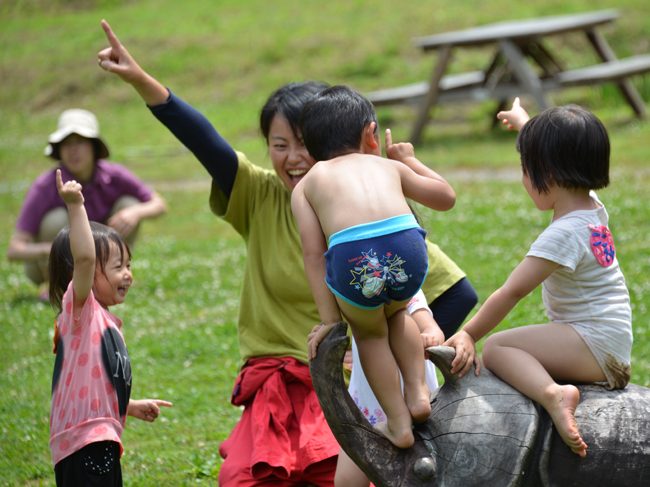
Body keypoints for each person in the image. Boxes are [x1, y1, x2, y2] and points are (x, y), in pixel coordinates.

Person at [97, 20, 476, 485]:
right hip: (277, 383)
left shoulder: (336, 205)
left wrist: (359, 339)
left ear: (320, 145)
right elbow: (204, 141)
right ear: (367, 135)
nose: (294, 158)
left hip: (338, 379)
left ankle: (401, 409)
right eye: (280, 145)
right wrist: (141, 79)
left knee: (339, 455)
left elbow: (455, 291)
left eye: (303, 144)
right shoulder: (261, 193)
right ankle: (409, 400)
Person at [445, 98, 633, 458]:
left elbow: (511, 291)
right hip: (610, 337)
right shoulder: (590, 205)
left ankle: (553, 395)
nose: (523, 178)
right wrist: (525, 125)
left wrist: (468, 333)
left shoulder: (563, 234)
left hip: (592, 341)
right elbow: (563, 150)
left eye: (526, 167)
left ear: (547, 173)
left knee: (498, 347)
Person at [294, 85, 456, 449]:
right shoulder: (388, 166)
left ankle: (398, 424)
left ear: (309, 148)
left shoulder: (308, 183)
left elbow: (312, 253)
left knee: (370, 334)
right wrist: (409, 160)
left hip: (356, 262)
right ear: (371, 134)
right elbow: (446, 198)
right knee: (399, 316)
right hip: (406, 250)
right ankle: (418, 394)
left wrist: (330, 320)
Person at [49, 169, 172, 486]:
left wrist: (127, 407)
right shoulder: (81, 311)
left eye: (128, 265)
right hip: (85, 443)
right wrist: (76, 205)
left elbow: (92, 386)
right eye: (117, 267)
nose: (128, 274)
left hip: (97, 440)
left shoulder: (102, 321)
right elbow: (86, 258)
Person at [7, 108, 167, 298]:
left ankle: (110, 278)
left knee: (130, 204)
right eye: (66, 144)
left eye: (80, 142)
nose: (73, 150)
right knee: (56, 220)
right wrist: (50, 248)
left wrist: (134, 213)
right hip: (47, 262)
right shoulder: (45, 186)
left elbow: (159, 204)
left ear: (94, 147)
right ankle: (58, 287)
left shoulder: (114, 175)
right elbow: (14, 250)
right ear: (59, 150)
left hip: (96, 256)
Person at [334, 289, 443, 487]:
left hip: (410, 403)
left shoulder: (405, 290)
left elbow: (431, 326)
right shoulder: (355, 291)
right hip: (367, 405)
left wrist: (430, 335)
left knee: (417, 473)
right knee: (347, 480)